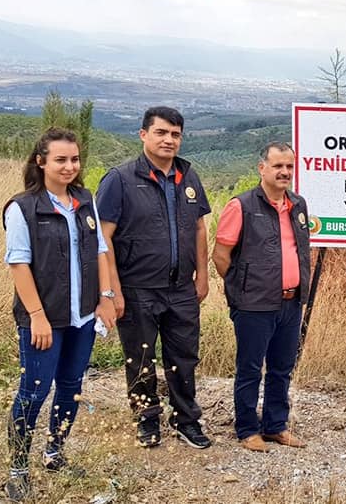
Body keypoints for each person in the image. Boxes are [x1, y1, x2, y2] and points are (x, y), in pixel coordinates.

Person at [2, 128, 117, 501]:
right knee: (34, 392)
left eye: (74, 159)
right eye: (60, 160)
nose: (69, 166)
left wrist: (105, 297)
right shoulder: (22, 208)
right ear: (41, 162)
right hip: (44, 319)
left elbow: (100, 250)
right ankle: (18, 469)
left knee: (71, 387)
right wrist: (36, 315)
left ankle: (54, 453)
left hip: (82, 318)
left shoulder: (84, 200)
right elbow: (19, 264)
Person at [96, 106, 213, 449]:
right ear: (144, 134)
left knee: (184, 356)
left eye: (175, 134)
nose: (168, 140)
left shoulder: (188, 176)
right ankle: (146, 418)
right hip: (137, 288)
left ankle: (185, 419)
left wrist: (202, 276)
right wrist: (113, 290)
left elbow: (199, 228)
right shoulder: (120, 179)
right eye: (161, 132)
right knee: (140, 357)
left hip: (181, 289)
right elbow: (103, 238)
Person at [212, 142, 310, 452]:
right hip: (253, 305)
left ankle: (275, 426)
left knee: (282, 367)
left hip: (291, 302)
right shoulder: (241, 206)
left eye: (289, 166)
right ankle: (247, 429)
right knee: (250, 369)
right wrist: (241, 289)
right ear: (262, 168)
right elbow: (221, 255)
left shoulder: (298, 204)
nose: (284, 172)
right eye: (278, 166)